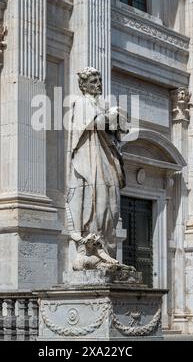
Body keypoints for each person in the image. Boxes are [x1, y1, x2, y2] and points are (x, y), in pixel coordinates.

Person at [66, 67, 127, 270]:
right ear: (83, 85)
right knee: (96, 202)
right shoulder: (81, 102)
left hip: (105, 157)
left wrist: (115, 119)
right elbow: (91, 125)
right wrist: (110, 117)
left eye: (99, 80)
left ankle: (106, 251)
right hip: (90, 158)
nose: (98, 84)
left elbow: (116, 132)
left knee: (112, 204)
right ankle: (92, 250)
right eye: (93, 81)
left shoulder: (103, 104)